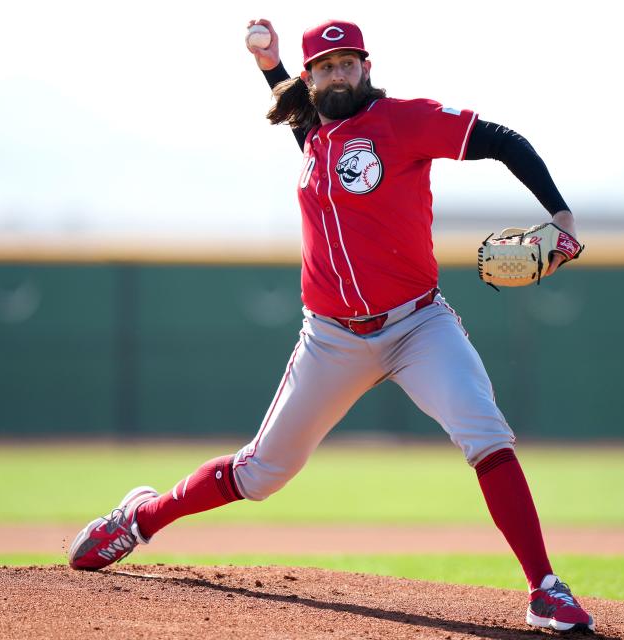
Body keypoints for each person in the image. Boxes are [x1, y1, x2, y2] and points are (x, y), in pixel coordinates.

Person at [68, 18, 595, 634]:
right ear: (311, 79)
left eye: (347, 62)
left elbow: (502, 139)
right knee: (260, 474)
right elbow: (296, 111)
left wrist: (559, 214)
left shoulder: (403, 121)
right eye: (324, 67)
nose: (337, 73)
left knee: (486, 432)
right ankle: (141, 518)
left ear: (366, 68)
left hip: (417, 325)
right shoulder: (314, 133)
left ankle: (543, 588)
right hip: (332, 338)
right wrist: (267, 63)